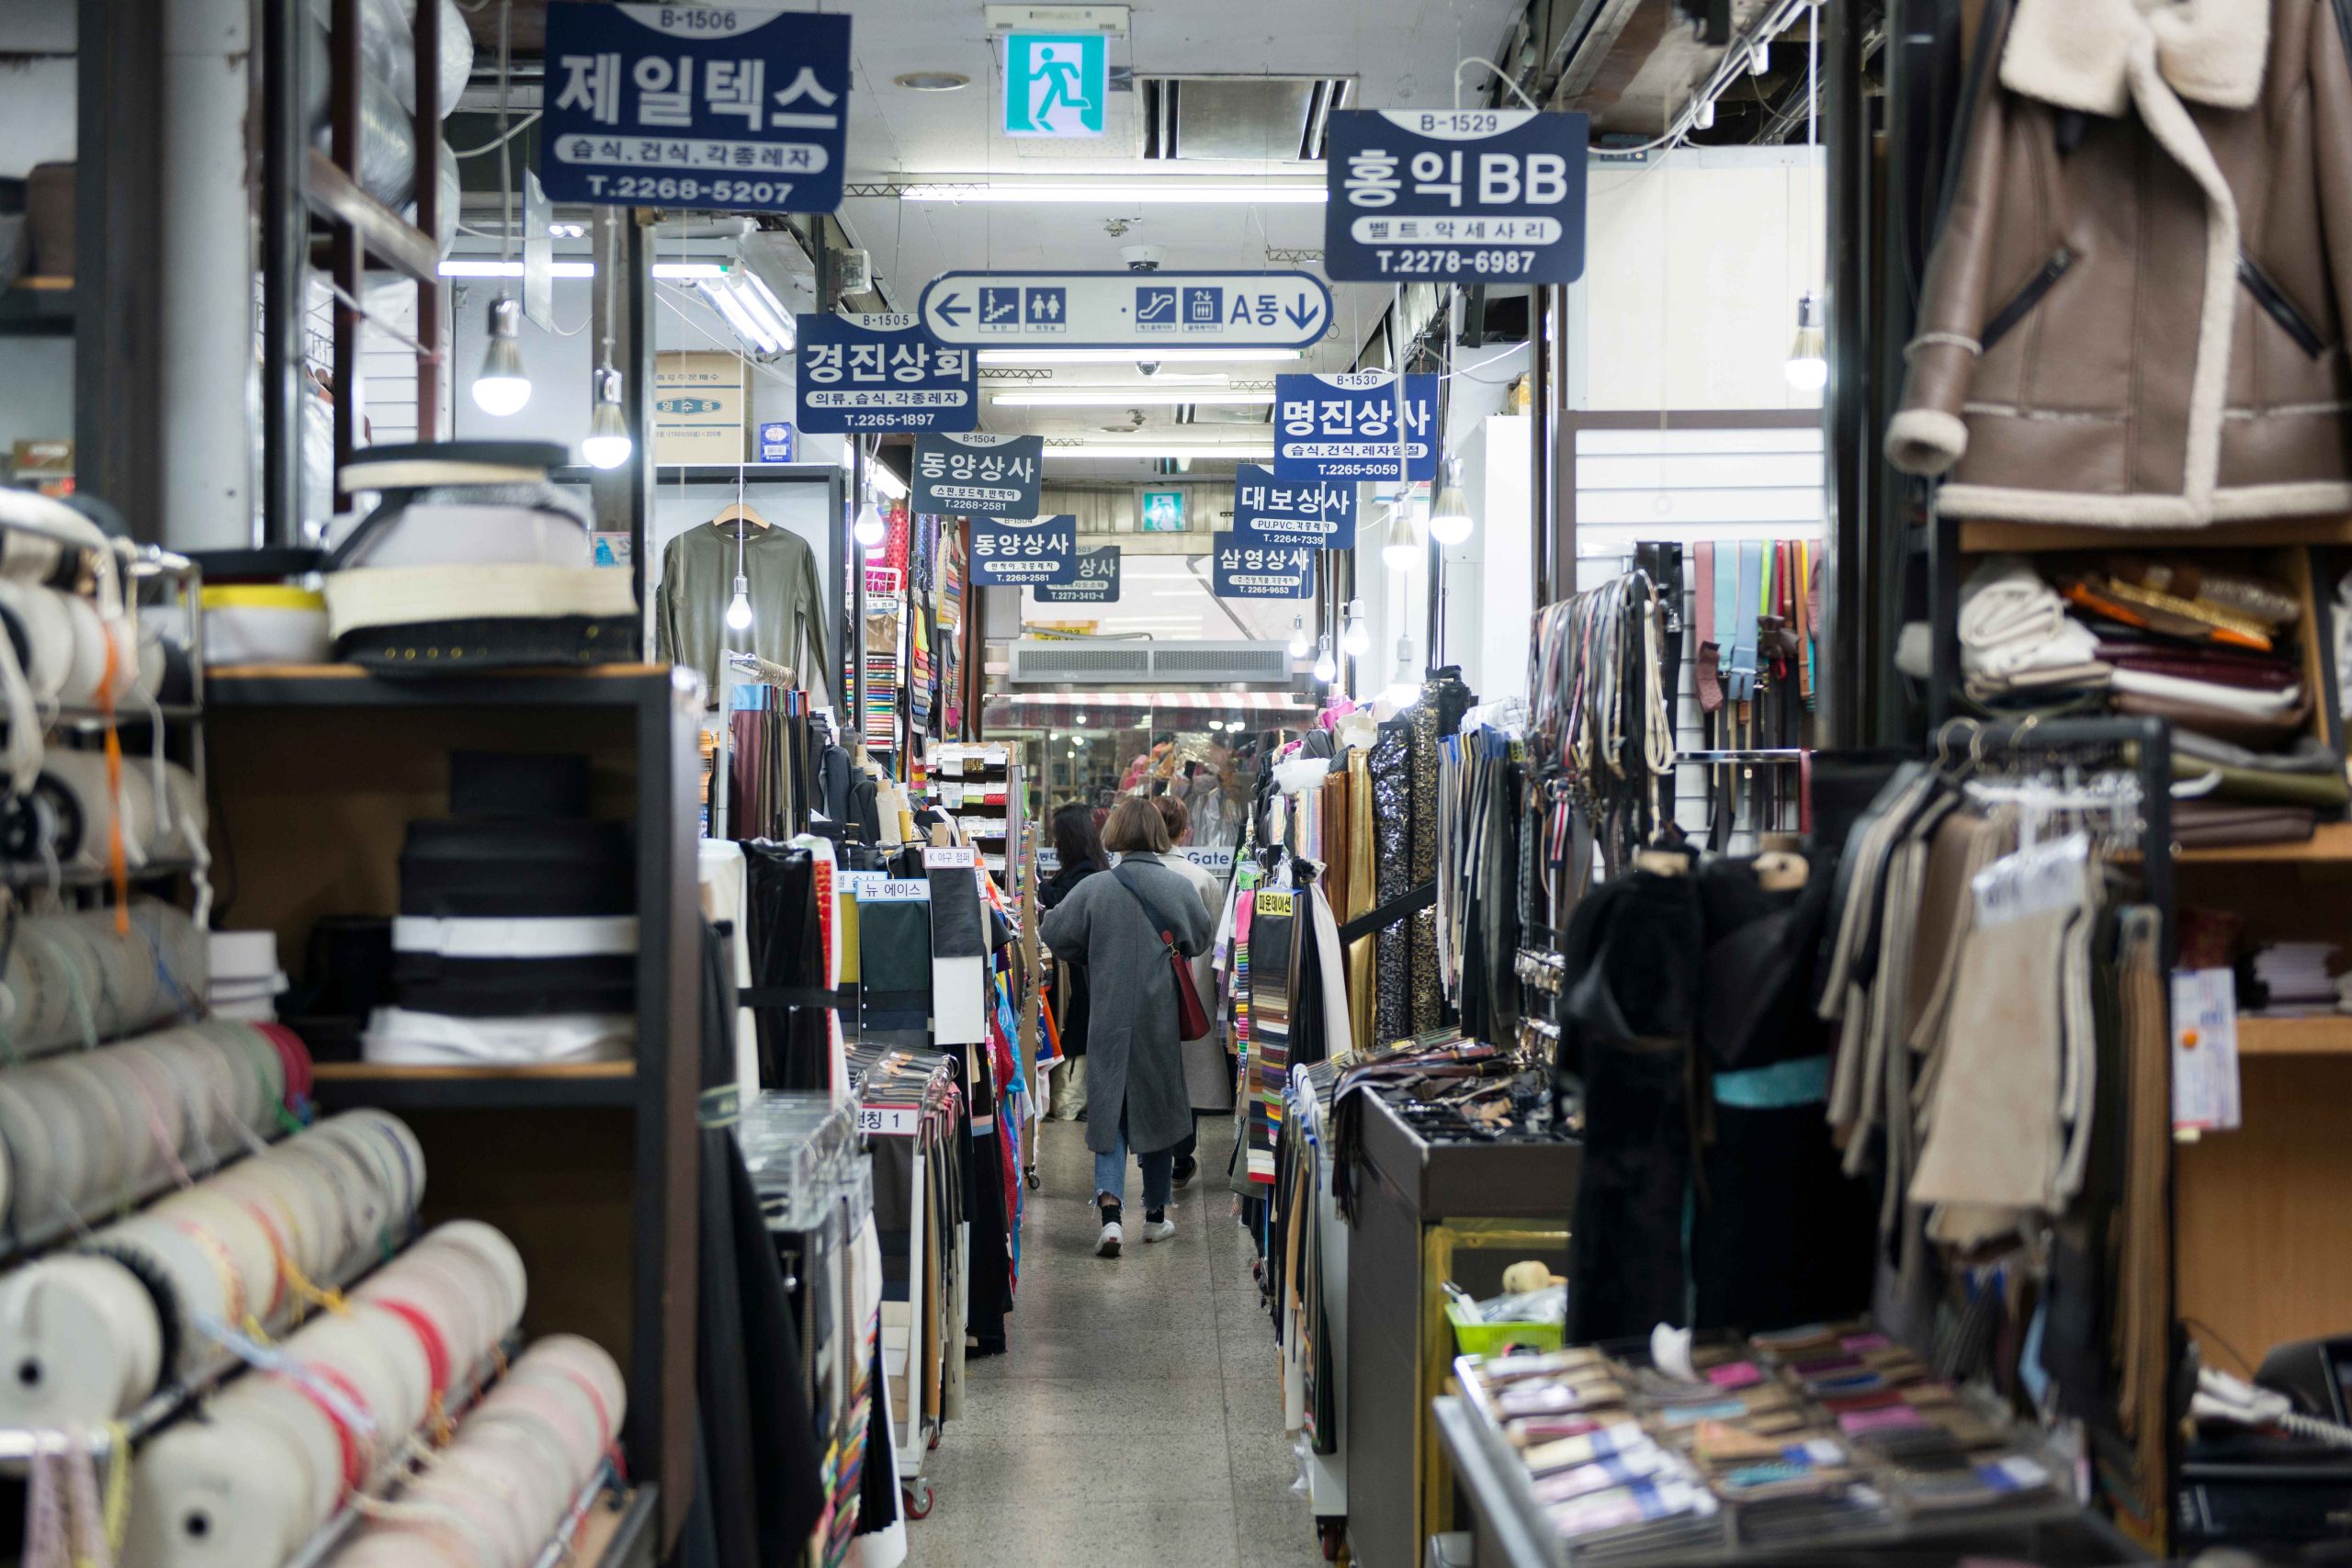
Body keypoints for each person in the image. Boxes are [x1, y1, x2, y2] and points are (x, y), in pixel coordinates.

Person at [1038, 796, 1212, 1258]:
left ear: (1113, 832)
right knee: (1154, 1108)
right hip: (1158, 1020)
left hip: (1109, 1018)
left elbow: (1054, 934)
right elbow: (1200, 937)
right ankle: (1154, 1217)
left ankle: (1112, 1216)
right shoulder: (1178, 888)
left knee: (1109, 1110)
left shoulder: (1096, 888)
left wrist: (1091, 951)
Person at [1153, 794, 1227, 1190]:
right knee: (1190, 1070)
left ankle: (1155, 1153)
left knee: (1154, 1067)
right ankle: (1183, 1153)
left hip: (1146, 987)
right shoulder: (1202, 879)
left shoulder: (1129, 875)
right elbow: (1216, 941)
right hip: (1192, 986)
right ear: (1187, 831)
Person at [1038, 803, 1104, 1123]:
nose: (1054, 842)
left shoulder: (1087, 872)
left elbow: (1061, 901)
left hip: (1087, 967)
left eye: (1057, 835)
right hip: (1084, 966)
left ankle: (1072, 1097)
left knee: (1080, 1022)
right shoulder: (1083, 867)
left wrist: (1036, 886)